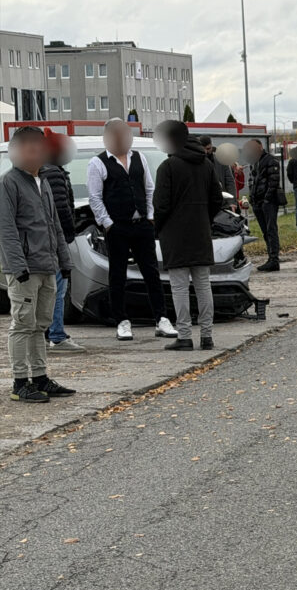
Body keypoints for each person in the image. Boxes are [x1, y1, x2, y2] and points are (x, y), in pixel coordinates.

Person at [0, 126, 76, 403]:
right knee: (22, 324)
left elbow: (54, 226)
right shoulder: (9, 183)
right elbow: (6, 230)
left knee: (40, 324)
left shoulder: (42, 181)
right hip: (25, 269)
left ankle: (40, 376)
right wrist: (18, 268)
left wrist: (64, 262)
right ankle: (20, 382)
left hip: (47, 266)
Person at [87, 119, 178, 341]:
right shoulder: (97, 163)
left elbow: (149, 188)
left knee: (151, 273)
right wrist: (108, 224)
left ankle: (161, 319)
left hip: (142, 226)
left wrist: (149, 217)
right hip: (117, 227)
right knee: (117, 275)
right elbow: (95, 198)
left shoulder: (139, 158)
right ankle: (122, 321)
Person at [153, 121, 225, 352]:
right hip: (201, 232)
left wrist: (159, 228)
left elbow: (161, 205)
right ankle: (207, 336)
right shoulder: (206, 165)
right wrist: (204, 218)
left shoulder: (168, 167)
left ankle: (184, 335)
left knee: (180, 287)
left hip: (175, 235)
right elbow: (217, 199)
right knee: (203, 285)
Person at [40, 129, 85, 352]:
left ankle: (49, 332)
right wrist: (70, 233)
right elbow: (61, 209)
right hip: (56, 242)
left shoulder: (42, 170)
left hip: (43, 241)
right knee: (59, 287)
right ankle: (57, 334)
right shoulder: (54, 173)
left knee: (49, 288)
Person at [244, 139, 283, 272]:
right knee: (265, 231)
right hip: (257, 201)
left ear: (260, 147)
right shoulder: (253, 162)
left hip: (269, 201)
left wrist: (267, 199)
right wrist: (252, 198)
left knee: (271, 230)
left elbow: (274, 181)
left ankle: (274, 259)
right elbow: (252, 180)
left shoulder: (270, 160)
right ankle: (271, 257)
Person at [198, 135, 236, 200]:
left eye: (208, 149)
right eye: (203, 149)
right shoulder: (195, 162)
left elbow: (230, 182)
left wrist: (232, 202)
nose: (206, 152)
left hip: (220, 201)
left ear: (211, 146)